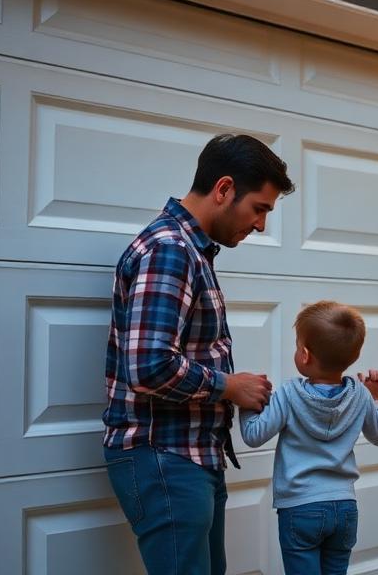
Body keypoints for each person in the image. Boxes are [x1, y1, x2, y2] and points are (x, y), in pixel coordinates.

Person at [102, 133, 295, 575]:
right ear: (224, 189)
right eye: (260, 208)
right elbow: (149, 367)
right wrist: (230, 386)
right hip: (165, 457)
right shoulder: (170, 250)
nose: (261, 225)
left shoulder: (191, 250)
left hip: (188, 456)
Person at [239, 300, 378, 575]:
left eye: (297, 346)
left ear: (305, 355)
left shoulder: (289, 394)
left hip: (300, 509)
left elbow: (253, 435)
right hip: (345, 509)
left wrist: (247, 402)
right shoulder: (361, 394)